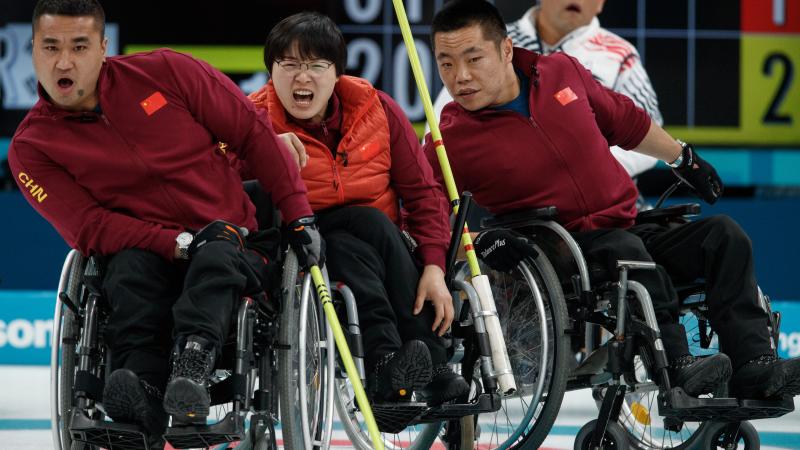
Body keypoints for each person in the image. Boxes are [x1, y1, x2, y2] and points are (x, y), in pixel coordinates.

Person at [425, 0, 800, 401]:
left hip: (626, 223)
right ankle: (676, 364)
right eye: (445, 64)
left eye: (472, 58)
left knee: (723, 235)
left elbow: (626, 120)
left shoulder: (559, 72)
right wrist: (450, 257)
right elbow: (424, 202)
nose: (459, 77)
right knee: (626, 250)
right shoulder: (450, 138)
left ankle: (754, 367)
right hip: (557, 250)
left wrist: (682, 157)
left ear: (505, 50)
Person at [10, 0, 322, 446]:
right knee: (128, 269)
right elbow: (89, 227)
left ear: (103, 47)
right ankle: (143, 390)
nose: (64, 62)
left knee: (217, 246)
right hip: (149, 254)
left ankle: (191, 369)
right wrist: (173, 243)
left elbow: (252, 133)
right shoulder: (32, 147)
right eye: (51, 47)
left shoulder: (169, 72)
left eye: (79, 46)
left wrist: (299, 216)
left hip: (232, 242)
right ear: (33, 51)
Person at [242, 12, 469, 405]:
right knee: (351, 237)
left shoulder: (376, 109)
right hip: (295, 241)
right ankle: (399, 364)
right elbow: (219, 190)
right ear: (270, 71)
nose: (302, 78)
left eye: (316, 65)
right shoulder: (249, 122)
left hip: (375, 242)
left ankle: (406, 364)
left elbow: (422, 193)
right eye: (290, 65)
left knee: (367, 228)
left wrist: (434, 265)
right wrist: (265, 153)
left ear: (337, 74)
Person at [432, 0, 660, 178]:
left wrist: (582, 166)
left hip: (611, 208)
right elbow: (438, 133)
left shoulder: (620, 55)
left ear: (601, 3)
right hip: (507, 210)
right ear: (507, 50)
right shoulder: (484, 40)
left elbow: (648, 133)